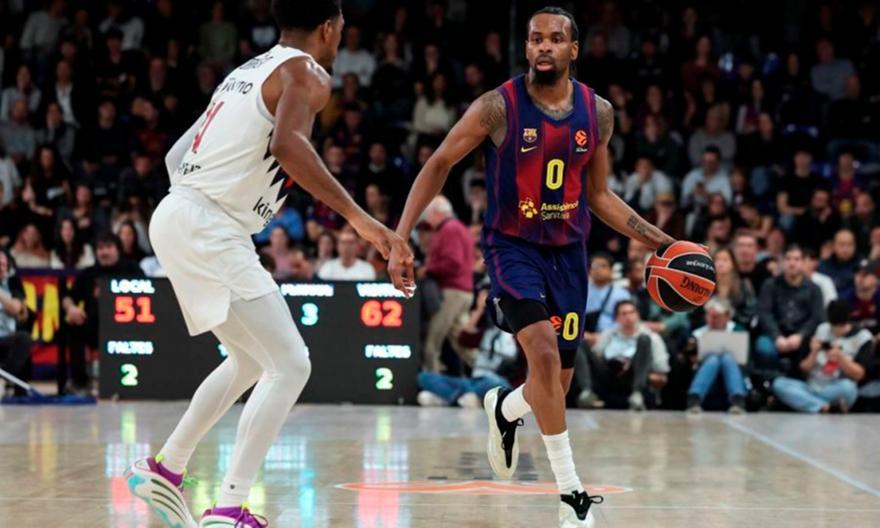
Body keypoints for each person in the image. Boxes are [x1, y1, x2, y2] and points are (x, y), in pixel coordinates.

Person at [124, 3, 411, 528]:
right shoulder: (307, 72)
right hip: (210, 225)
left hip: (177, 214)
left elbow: (174, 157)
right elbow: (287, 144)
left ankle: (166, 468)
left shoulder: (246, 72)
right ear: (328, 28)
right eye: (341, 30)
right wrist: (363, 221)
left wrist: (204, 207)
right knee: (292, 363)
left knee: (250, 361)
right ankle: (229, 506)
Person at [387, 8, 675, 525]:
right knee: (540, 354)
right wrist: (400, 236)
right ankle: (571, 496)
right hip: (512, 248)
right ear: (526, 48)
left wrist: (663, 242)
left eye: (555, 39)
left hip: (569, 254)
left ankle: (504, 409)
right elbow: (439, 162)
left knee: (554, 388)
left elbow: (599, 196)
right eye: (535, 38)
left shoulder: (598, 113)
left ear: (573, 49)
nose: (544, 46)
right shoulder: (497, 107)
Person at [62, 233, 142, 395]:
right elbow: (68, 297)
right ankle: (79, 382)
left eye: (108, 247)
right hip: (95, 327)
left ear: (118, 249)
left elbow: (148, 296)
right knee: (72, 328)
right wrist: (71, 308)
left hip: (127, 328)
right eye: (100, 248)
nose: (104, 252)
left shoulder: (132, 269)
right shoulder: (88, 273)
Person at [417, 288, 517, 407]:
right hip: (474, 380)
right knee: (424, 377)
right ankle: (462, 398)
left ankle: (451, 398)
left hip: (498, 381)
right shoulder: (488, 332)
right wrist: (479, 310)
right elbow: (464, 338)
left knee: (493, 382)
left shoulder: (520, 336)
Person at [772, 300, 870, 413]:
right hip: (812, 385)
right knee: (779, 384)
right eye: (834, 326)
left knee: (849, 388)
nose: (838, 330)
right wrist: (813, 353)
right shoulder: (821, 330)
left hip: (836, 387)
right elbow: (803, 369)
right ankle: (824, 407)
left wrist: (841, 359)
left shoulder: (862, 338)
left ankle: (805, 402)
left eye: (842, 326)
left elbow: (859, 374)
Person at [576, 300, 670, 411]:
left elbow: (661, 375)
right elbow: (596, 358)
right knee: (578, 342)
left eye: (631, 312)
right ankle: (586, 392)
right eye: (624, 314)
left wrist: (640, 370)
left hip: (634, 377)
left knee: (644, 340)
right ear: (616, 318)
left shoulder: (652, 337)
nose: (628, 317)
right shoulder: (609, 334)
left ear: (638, 315)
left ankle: (637, 394)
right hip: (609, 377)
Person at [420, 195, 477, 372]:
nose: (427, 219)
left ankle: (430, 378)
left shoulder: (449, 229)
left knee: (432, 340)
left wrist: (428, 269)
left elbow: (453, 262)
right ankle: (488, 368)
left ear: (437, 212)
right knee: (460, 339)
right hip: (463, 290)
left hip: (452, 291)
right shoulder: (458, 228)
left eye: (428, 214)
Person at [755, 245, 825, 371]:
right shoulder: (769, 285)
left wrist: (801, 335)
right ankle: (770, 380)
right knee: (764, 347)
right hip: (775, 335)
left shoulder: (814, 289)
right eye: (788, 259)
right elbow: (764, 313)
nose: (792, 263)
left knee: (814, 346)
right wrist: (776, 336)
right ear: (782, 262)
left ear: (803, 262)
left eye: (796, 259)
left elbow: (817, 317)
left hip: (803, 337)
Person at [685, 298, 748, 413]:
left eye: (716, 316)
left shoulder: (738, 331)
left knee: (727, 358)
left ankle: (737, 400)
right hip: (707, 376)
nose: (712, 320)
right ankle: (694, 398)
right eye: (709, 316)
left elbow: (746, 360)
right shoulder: (697, 334)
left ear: (727, 317)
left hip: (733, 373)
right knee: (713, 359)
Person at [0, 250, 32, 397]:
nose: (0, 268)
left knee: (24, 338)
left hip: (6, 337)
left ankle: (3, 378)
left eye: (3, 265)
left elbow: (15, 308)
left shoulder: (13, 283)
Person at [841, 258, 880, 335]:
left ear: (876, 278)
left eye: (865, 274)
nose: (860, 278)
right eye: (857, 273)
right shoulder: (844, 299)